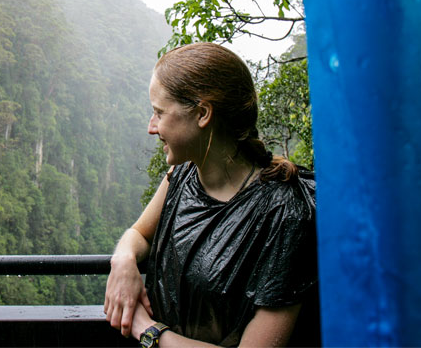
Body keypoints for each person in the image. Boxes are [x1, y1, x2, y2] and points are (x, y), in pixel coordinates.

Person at [104, 43, 319, 347]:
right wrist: (124, 260)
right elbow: (140, 233)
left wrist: (147, 329)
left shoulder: (285, 212)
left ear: (203, 114)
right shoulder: (182, 175)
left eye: (159, 113)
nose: (151, 127)